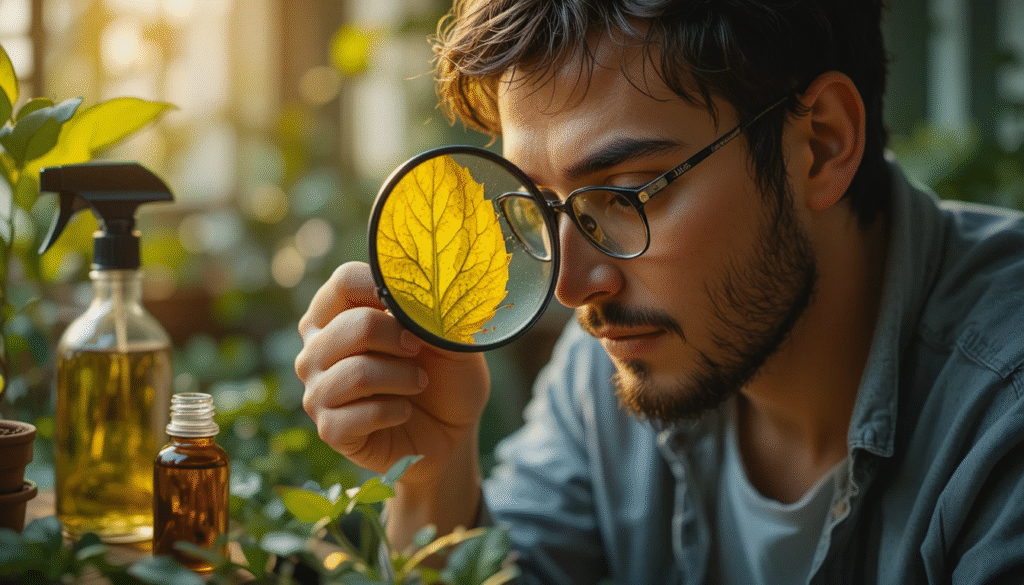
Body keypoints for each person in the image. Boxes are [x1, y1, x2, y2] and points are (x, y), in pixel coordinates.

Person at [295, 0, 1024, 582]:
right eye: (543, 204)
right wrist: (433, 477)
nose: (574, 286)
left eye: (626, 194)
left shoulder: (1002, 413)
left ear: (822, 144)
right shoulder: (611, 375)